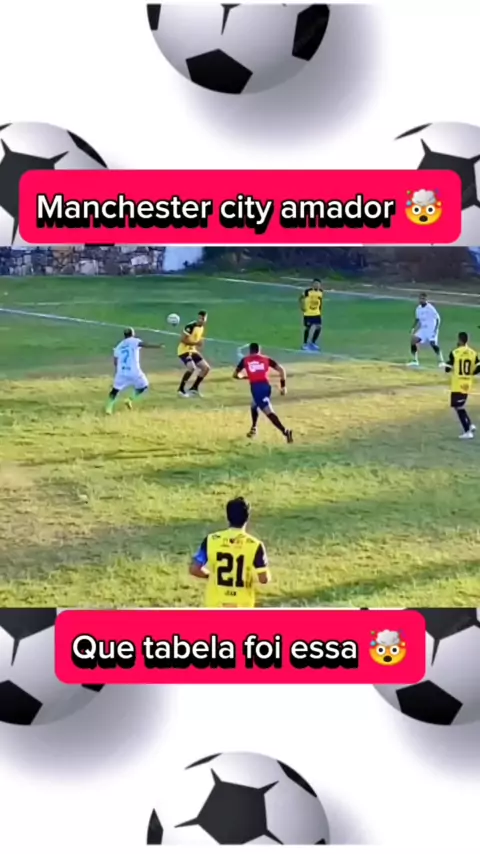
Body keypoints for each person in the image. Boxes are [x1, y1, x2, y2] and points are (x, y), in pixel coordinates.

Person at [189, 497, 270, 608]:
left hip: (216, 606)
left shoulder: (211, 540)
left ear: (228, 517)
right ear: (247, 517)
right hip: (242, 606)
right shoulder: (255, 545)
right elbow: (264, 579)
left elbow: (194, 569)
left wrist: (211, 576)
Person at [233, 343, 293, 443]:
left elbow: (235, 375)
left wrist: (245, 377)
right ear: (259, 351)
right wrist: (283, 386)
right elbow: (281, 370)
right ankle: (254, 428)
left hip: (257, 389)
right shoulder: (266, 359)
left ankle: (285, 431)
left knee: (268, 411)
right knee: (254, 405)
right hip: (266, 386)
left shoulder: (245, 360)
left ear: (250, 351)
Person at [105, 327, 164, 414]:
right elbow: (144, 344)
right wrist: (158, 346)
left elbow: (115, 362)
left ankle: (109, 408)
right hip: (134, 371)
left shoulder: (118, 346)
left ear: (124, 335)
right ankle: (130, 399)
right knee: (144, 386)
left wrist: (120, 370)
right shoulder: (134, 341)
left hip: (121, 372)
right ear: (133, 334)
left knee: (115, 390)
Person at [445, 332, 480, 439]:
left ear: (460, 340)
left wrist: (447, 365)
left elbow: (447, 369)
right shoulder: (473, 353)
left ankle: (468, 431)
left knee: (458, 407)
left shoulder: (454, 352)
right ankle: (470, 424)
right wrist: (471, 373)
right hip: (467, 383)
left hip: (457, 384)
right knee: (458, 406)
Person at [177, 310, 210, 397]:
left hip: (192, 350)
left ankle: (194, 388)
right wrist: (196, 343)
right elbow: (183, 340)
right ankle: (180, 390)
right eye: (200, 318)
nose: (201, 320)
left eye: (203, 319)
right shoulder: (190, 326)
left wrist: (199, 342)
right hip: (183, 351)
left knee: (206, 368)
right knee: (191, 368)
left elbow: (197, 339)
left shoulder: (201, 328)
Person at [408, 292, 446, 367]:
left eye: (423, 299)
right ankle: (415, 360)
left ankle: (441, 361)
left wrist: (436, 329)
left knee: (433, 344)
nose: (421, 300)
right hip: (423, 329)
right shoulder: (418, 308)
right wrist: (413, 327)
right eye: (420, 298)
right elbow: (417, 319)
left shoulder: (430, 308)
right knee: (413, 340)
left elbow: (438, 319)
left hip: (431, 329)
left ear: (426, 299)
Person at [300, 278, 324, 351]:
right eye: (315, 284)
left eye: (318, 284)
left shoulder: (321, 292)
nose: (317, 285)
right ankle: (304, 344)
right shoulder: (307, 291)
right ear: (312, 284)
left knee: (319, 327)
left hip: (317, 313)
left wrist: (320, 310)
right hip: (308, 313)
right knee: (308, 328)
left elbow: (320, 301)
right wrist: (302, 306)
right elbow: (301, 298)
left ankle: (313, 342)